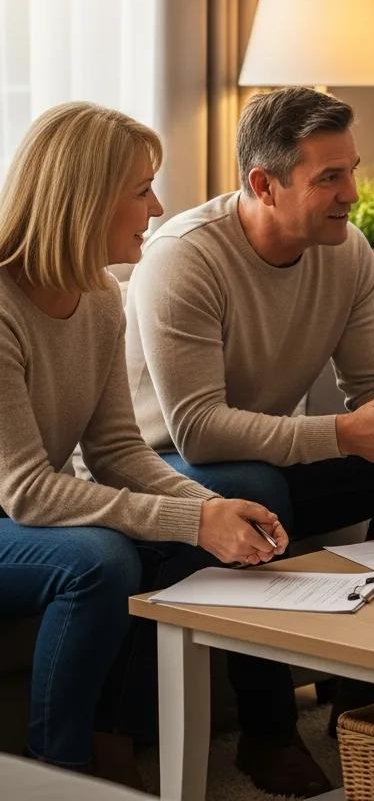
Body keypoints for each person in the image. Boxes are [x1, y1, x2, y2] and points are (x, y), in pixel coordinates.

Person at [125, 86, 374, 790]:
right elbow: (198, 427)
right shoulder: (184, 257)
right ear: (263, 184)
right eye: (329, 177)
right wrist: (346, 433)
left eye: (353, 169)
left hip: (259, 461)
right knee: (253, 487)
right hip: (163, 469)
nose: (353, 192)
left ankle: (369, 701)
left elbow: (372, 379)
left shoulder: (347, 252)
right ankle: (268, 733)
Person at [0, 103, 286, 786]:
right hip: (11, 509)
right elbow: (26, 490)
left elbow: (119, 451)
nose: (157, 207)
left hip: (23, 514)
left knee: (202, 520)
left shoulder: (100, 297)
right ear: (82, 199)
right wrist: (195, 517)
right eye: (140, 191)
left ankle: (124, 734)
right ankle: (56, 775)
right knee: (98, 559)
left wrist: (214, 509)